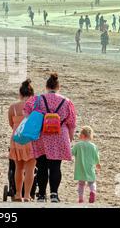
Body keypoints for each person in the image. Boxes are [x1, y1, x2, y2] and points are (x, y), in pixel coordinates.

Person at [24, 73, 76, 203]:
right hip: (59, 136)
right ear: (59, 87)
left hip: (41, 136)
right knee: (55, 166)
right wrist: (70, 137)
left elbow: (27, 112)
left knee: (41, 166)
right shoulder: (66, 101)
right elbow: (71, 122)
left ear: (46, 86)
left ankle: (41, 195)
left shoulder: (38, 99)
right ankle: (54, 194)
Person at [8, 79, 36, 202]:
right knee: (30, 169)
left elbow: (11, 123)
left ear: (20, 94)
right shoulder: (35, 107)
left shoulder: (13, 107)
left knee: (18, 168)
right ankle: (27, 195)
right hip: (31, 139)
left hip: (17, 139)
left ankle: (18, 194)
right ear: (32, 95)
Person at [72, 126, 101, 204]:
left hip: (80, 168)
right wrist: (98, 164)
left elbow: (72, 152)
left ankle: (81, 198)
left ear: (83, 135)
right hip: (90, 168)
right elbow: (96, 157)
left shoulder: (78, 145)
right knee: (91, 182)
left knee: (81, 184)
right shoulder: (93, 146)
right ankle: (92, 192)